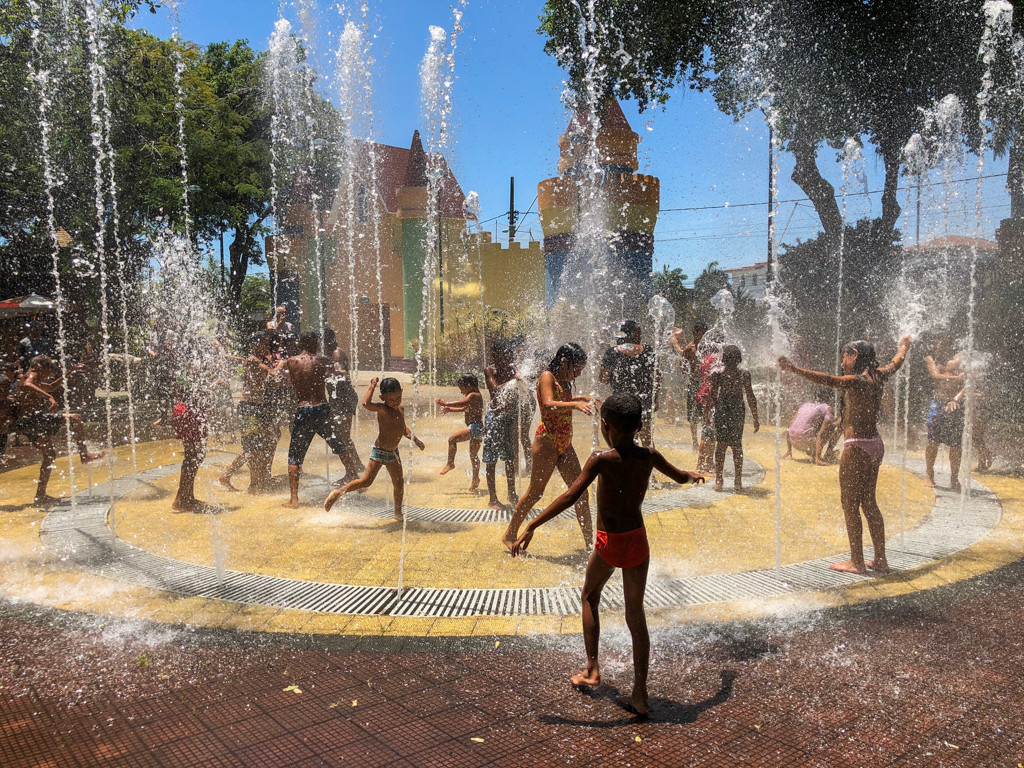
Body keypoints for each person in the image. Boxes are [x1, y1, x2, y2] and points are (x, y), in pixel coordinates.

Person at [510, 394, 705, 715]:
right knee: (635, 615)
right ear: (640, 426)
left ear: (604, 425)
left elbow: (572, 495)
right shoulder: (650, 456)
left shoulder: (601, 459)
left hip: (608, 543)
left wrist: (533, 523)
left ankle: (591, 669)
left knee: (589, 596)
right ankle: (640, 695)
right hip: (637, 542)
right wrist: (692, 475)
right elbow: (679, 476)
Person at [779, 335, 912, 574]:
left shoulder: (857, 381)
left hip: (857, 446)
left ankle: (856, 562)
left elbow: (829, 380)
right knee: (869, 502)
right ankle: (880, 560)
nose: (842, 361)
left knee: (850, 504)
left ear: (855, 356)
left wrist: (794, 369)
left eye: (845, 355)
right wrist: (904, 346)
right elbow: (896, 362)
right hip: (875, 444)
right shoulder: (879, 375)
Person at [501, 343, 595, 553]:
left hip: (564, 444)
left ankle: (592, 546)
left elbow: (565, 399)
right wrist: (575, 405)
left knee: (581, 493)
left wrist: (583, 398)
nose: (579, 373)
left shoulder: (564, 382)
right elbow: (549, 402)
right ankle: (509, 534)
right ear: (564, 361)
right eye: (577, 368)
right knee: (535, 493)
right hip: (547, 442)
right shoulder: (547, 376)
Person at [324, 377, 425, 520]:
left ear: (402, 392)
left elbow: (402, 428)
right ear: (382, 398)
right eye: (391, 400)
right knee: (366, 481)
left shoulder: (400, 408)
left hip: (393, 453)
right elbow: (366, 403)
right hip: (380, 451)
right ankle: (338, 493)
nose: (395, 402)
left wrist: (415, 439)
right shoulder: (382, 409)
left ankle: (397, 512)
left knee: (399, 483)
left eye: (398, 397)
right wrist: (372, 386)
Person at [13, 355, 105, 504]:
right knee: (75, 418)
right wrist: (49, 397)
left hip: (29, 423)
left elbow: (51, 387)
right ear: (39, 368)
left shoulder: (35, 378)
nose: (47, 377)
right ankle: (84, 455)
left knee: (49, 455)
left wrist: (68, 373)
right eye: (47, 373)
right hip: (32, 420)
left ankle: (40, 495)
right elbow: (27, 385)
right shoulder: (31, 375)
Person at [277, 332, 353, 508]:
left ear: (300, 343)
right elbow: (340, 373)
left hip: (303, 410)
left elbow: (275, 376)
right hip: (322, 409)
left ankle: (294, 499)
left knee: (295, 456)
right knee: (340, 445)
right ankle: (354, 476)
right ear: (315, 343)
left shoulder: (291, 362)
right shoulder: (323, 360)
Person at [217, 331, 279, 493]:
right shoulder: (252, 360)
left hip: (257, 407)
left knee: (259, 445)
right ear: (254, 345)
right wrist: (283, 363)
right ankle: (229, 477)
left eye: (267, 343)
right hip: (249, 408)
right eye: (264, 343)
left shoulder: (258, 360)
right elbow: (273, 374)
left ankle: (257, 481)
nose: (267, 346)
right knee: (252, 448)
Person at [708, 344, 759, 491]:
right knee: (736, 446)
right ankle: (736, 481)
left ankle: (720, 479)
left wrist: (706, 412)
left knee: (722, 445)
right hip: (733, 408)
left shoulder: (722, 373)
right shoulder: (740, 374)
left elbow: (712, 396)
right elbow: (750, 397)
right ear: (739, 359)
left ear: (723, 359)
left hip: (724, 408)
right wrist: (755, 418)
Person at [600, 320, 658, 446]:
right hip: (645, 399)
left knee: (624, 437)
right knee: (647, 438)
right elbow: (657, 376)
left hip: (622, 402)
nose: (641, 336)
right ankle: (648, 464)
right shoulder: (648, 350)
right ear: (631, 334)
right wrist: (656, 398)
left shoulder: (612, 352)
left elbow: (603, 378)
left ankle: (625, 464)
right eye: (638, 333)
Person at [924, 336, 966, 491]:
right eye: (932, 342)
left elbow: (969, 381)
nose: (932, 345)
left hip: (954, 404)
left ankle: (954, 478)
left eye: (936, 341)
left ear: (946, 340)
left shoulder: (959, 359)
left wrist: (955, 398)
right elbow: (936, 376)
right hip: (937, 403)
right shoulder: (931, 358)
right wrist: (957, 377)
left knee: (955, 444)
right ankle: (929, 473)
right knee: (932, 440)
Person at [324, 331, 366, 486]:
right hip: (339, 399)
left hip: (344, 399)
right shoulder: (331, 352)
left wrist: (327, 370)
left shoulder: (336, 353)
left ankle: (352, 471)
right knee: (343, 435)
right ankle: (357, 464)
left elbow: (343, 373)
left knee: (342, 435)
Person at [482, 340, 519, 510]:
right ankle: (492, 499)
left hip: (509, 417)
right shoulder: (490, 370)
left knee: (510, 457)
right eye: (505, 355)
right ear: (494, 356)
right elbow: (495, 391)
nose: (508, 358)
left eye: (509, 355)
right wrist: (513, 381)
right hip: (495, 418)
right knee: (492, 459)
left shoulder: (512, 369)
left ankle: (511, 493)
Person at [436, 374, 484, 490]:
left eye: (462, 389)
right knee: (473, 455)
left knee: (452, 439)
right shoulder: (475, 396)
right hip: (478, 428)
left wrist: (445, 403)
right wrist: (450, 410)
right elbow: (464, 408)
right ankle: (475, 479)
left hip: (475, 427)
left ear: (468, 386)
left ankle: (450, 463)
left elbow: (462, 403)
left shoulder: (473, 395)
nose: (462, 392)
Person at [670, 322, 707, 452]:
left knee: (706, 413)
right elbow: (683, 367)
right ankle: (695, 442)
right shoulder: (690, 349)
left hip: (706, 384)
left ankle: (704, 440)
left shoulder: (708, 348)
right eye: (701, 333)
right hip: (694, 384)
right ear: (695, 333)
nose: (703, 337)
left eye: (705, 334)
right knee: (692, 415)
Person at [783, 392, 839, 465]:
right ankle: (817, 458)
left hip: (792, 441)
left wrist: (789, 450)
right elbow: (821, 434)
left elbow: (791, 423)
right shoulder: (828, 408)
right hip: (805, 441)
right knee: (830, 428)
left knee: (800, 426)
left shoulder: (805, 405)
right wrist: (840, 422)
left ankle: (789, 452)